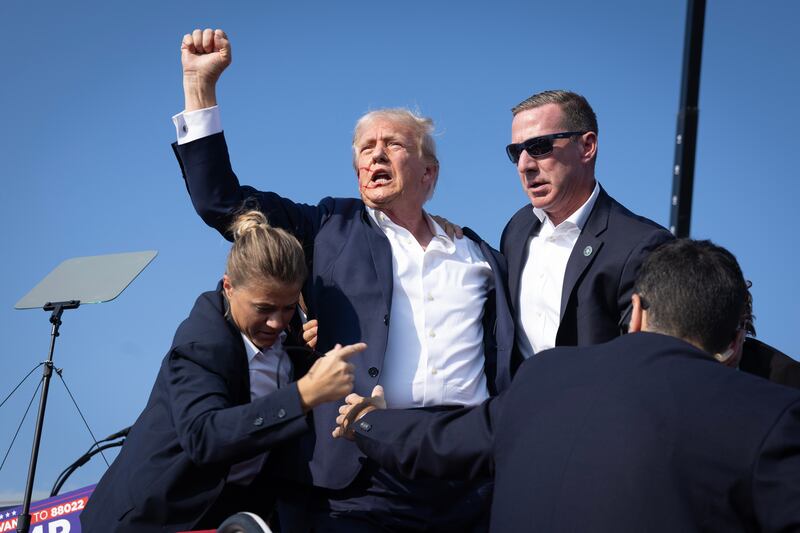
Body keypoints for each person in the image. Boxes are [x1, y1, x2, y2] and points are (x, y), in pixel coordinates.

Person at [171, 29, 515, 531]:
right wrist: (200, 90)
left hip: (469, 471)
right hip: (361, 473)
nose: (374, 155)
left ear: (428, 174)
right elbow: (220, 202)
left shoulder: (480, 254)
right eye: (365, 148)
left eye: (392, 145)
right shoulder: (328, 227)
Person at [336, 239, 800, 532]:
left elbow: (440, 441)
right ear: (738, 335)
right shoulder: (774, 416)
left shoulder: (545, 377)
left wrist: (369, 422)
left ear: (636, 312)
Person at [80, 210, 366, 532]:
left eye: (287, 308)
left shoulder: (292, 334)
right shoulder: (200, 344)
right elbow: (204, 436)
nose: (277, 322)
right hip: (152, 519)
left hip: (234, 516)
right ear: (229, 287)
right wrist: (302, 396)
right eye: (264, 309)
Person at [500, 90, 673, 358]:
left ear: (587, 146)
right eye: (516, 151)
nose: (524, 165)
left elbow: (647, 361)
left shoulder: (643, 246)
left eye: (539, 147)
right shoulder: (517, 230)